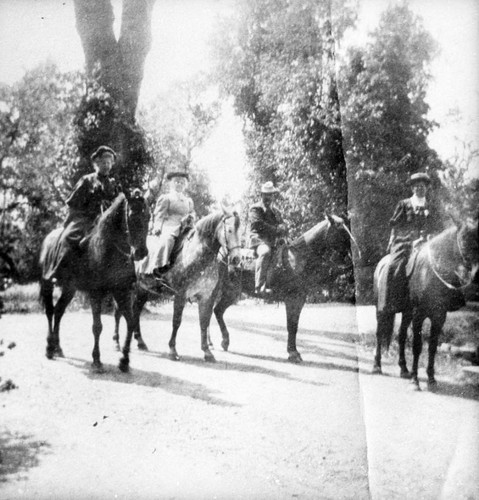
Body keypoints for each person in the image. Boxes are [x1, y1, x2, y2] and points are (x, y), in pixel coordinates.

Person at [45, 145, 121, 279]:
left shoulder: (113, 184)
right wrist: (76, 218)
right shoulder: (87, 180)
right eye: (104, 162)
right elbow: (73, 203)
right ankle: (58, 271)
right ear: (96, 163)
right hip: (85, 219)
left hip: (105, 221)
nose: (107, 166)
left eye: (109, 163)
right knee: (68, 238)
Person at [382, 172, 435, 311]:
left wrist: (430, 236)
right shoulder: (404, 204)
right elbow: (396, 226)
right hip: (406, 242)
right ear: (412, 189)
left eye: (422, 186)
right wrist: (406, 240)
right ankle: (393, 301)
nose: (420, 189)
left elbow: (436, 225)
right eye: (417, 186)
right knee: (396, 265)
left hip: (427, 242)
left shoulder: (431, 206)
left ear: (427, 188)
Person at [151, 170, 196, 277]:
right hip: (169, 226)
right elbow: (159, 214)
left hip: (185, 228)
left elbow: (192, 212)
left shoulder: (188, 201)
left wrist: (192, 217)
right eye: (176, 182)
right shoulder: (167, 198)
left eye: (182, 182)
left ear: (185, 185)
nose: (179, 184)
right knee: (168, 240)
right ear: (171, 183)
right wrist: (157, 227)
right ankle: (159, 267)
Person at [249, 181, 287, 295]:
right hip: (258, 240)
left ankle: (278, 286)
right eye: (266, 194)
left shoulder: (276, 212)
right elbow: (258, 224)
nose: (268, 197)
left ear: (273, 196)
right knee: (265, 252)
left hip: (272, 242)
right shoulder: (255, 209)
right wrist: (276, 229)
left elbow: (282, 224)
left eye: (270, 195)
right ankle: (259, 286)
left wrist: (283, 227)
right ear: (261, 195)